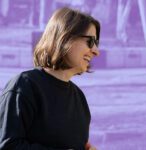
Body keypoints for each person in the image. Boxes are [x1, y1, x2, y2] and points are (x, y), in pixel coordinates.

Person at [0, 7, 100, 150]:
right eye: (90, 41)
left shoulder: (79, 98)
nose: (96, 51)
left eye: (96, 43)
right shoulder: (24, 86)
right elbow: (8, 146)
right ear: (64, 38)